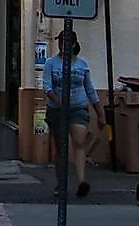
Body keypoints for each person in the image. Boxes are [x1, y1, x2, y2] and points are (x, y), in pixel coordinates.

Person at [42, 39, 101, 198]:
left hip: (78, 108)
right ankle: (61, 184)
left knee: (79, 143)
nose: (63, 46)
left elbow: (89, 89)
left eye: (66, 42)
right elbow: (47, 87)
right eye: (61, 43)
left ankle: (82, 182)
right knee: (61, 147)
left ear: (74, 44)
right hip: (57, 110)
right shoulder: (51, 63)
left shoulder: (82, 64)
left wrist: (100, 113)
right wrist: (58, 101)